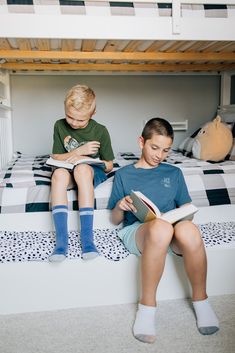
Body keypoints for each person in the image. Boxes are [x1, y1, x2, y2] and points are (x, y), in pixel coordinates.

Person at [108, 117, 219, 344]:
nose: (160, 155)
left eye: (166, 150)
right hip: (140, 231)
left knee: (189, 230)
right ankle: (147, 309)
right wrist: (120, 206)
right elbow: (114, 219)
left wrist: (185, 215)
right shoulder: (124, 175)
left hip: (171, 229)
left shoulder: (174, 173)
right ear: (142, 142)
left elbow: (187, 208)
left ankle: (202, 302)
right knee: (159, 228)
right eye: (154, 148)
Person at [49, 84, 114, 262]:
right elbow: (56, 156)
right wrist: (79, 151)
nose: (74, 123)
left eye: (80, 120)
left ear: (92, 114)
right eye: (70, 117)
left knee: (82, 169)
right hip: (69, 170)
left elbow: (109, 165)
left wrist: (91, 160)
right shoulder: (59, 125)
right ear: (64, 109)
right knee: (58, 175)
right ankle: (61, 244)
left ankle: (87, 241)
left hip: (90, 171)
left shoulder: (100, 131)